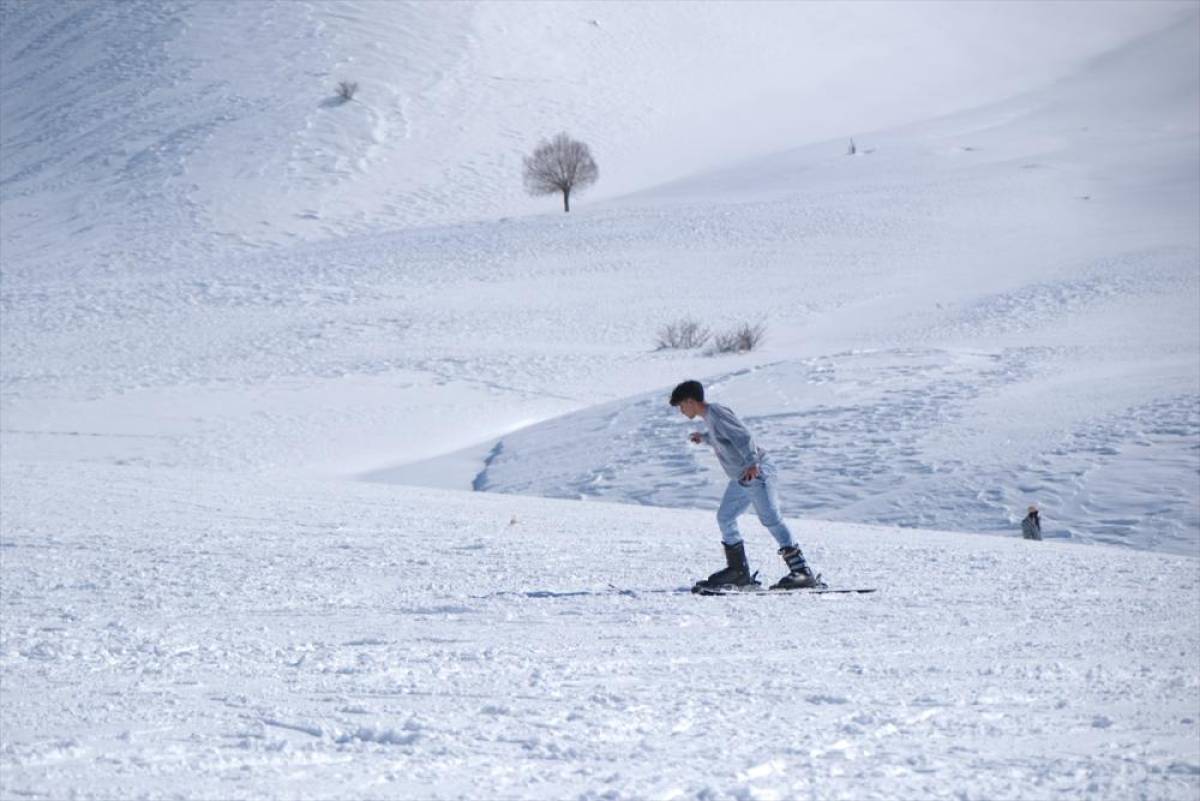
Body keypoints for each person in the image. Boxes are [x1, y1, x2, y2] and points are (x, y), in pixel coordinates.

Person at [669, 379, 822, 590]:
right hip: (742, 477)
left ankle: (803, 573)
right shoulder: (710, 417)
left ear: (690, 400)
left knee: (772, 520)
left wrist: (752, 462)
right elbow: (726, 438)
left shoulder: (716, 412)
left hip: (756, 472)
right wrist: (704, 438)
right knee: (725, 517)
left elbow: (743, 436)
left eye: (681, 406)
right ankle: (738, 572)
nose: (681, 411)